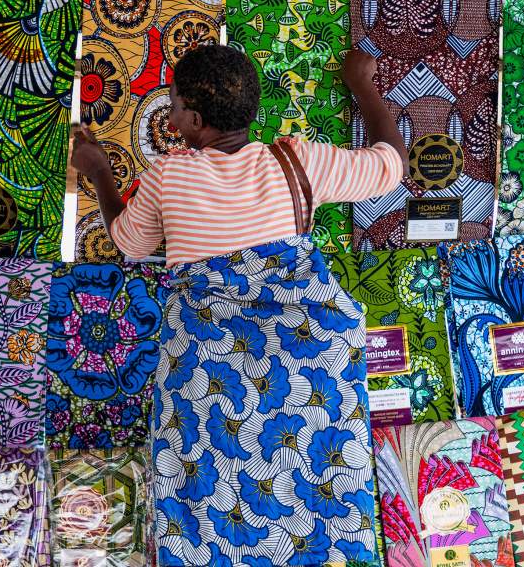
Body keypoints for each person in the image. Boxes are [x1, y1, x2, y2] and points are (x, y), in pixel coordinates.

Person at [72, 45, 406, 566]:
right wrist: (362, 84)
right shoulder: (297, 160)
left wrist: (98, 173)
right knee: (321, 492)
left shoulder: (168, 176)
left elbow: (130, 244)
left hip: (208, 380)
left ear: (193, 121)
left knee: (203, 503)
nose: (171, 113)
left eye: (174, 104)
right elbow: (391, 166)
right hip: (305, 372)